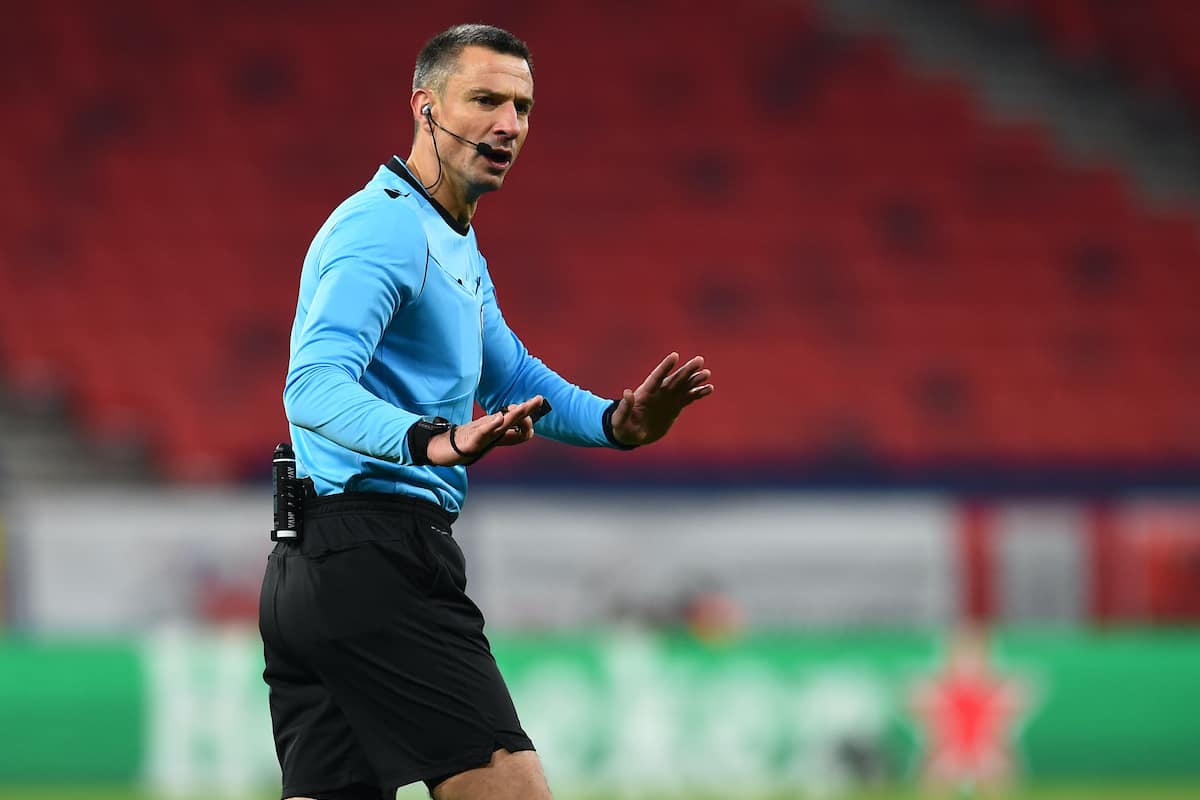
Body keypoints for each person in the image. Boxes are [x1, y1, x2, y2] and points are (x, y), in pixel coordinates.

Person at [258, 23, 714, 800]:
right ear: (425, 107)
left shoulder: (451, 241)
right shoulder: (384, 228)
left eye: (523, 107)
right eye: (486, 100)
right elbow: (312, 387)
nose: (509, 124)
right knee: (511, 789)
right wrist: (435, 439)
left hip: (316, 564)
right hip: (374, 557)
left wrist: (615, 423)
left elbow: (514, 376)